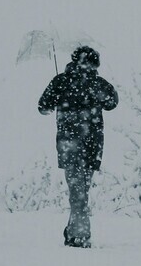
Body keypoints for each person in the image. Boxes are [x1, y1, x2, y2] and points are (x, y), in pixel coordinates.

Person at [38, 46, 118, 247]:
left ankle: (78, 233)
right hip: (92, 145)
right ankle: (77, 232)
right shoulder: (98, 84)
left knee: (77, 189)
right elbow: (112, 102)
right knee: (81, 189)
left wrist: (58, 93)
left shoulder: (61, 81)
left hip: (68, 144)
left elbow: (43, 107)